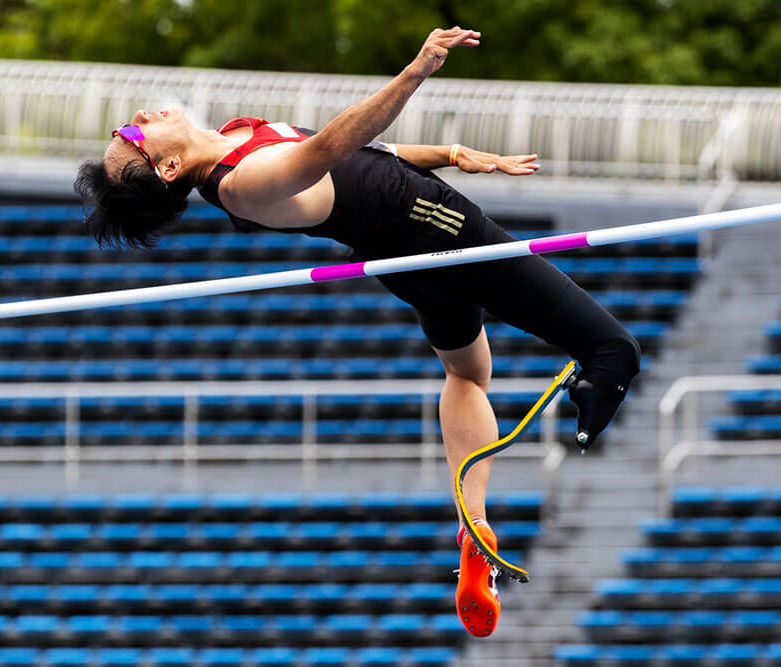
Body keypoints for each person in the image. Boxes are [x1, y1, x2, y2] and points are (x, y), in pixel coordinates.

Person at [75, 27, 641, 638]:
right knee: (614, 352)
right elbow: (334, 145)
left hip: (407, 252)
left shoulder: (236, 142)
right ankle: (585, 417)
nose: (135, 117)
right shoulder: (241, 183)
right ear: (166, 166)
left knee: (467, 373)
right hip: (443, 231)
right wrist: (415, 71)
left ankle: (473, 527)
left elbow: (366, 160)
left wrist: (451, 153)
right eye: (130, 135)